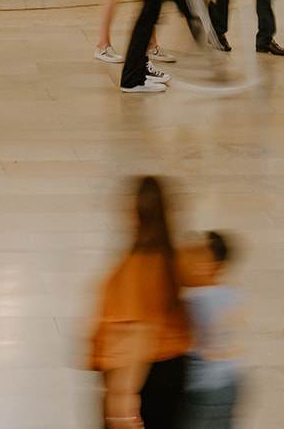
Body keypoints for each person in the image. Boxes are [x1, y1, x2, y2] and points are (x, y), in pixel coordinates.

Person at [89, 176, 193, 429]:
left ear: (136, 211)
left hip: (143, 378)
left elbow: (139, 333)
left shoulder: (141, 265)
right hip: (166, 371)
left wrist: (122, 398)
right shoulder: (169, 258)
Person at [182, 231, 246, 429]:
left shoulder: (194, 299)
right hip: (230, 380)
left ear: (212, 265)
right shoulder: (233, 293)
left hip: (201, 386)